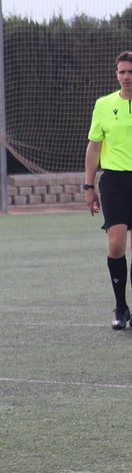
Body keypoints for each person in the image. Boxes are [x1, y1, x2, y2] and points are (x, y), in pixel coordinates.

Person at [85, 51, 132, 330]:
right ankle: (121, 308)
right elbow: (93, 147)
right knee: (116, 244)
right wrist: (89, 186)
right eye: (123, 72)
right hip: (113, 181)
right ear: (116, 75)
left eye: (131, 72)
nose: (127, 77)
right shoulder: (103, 105)